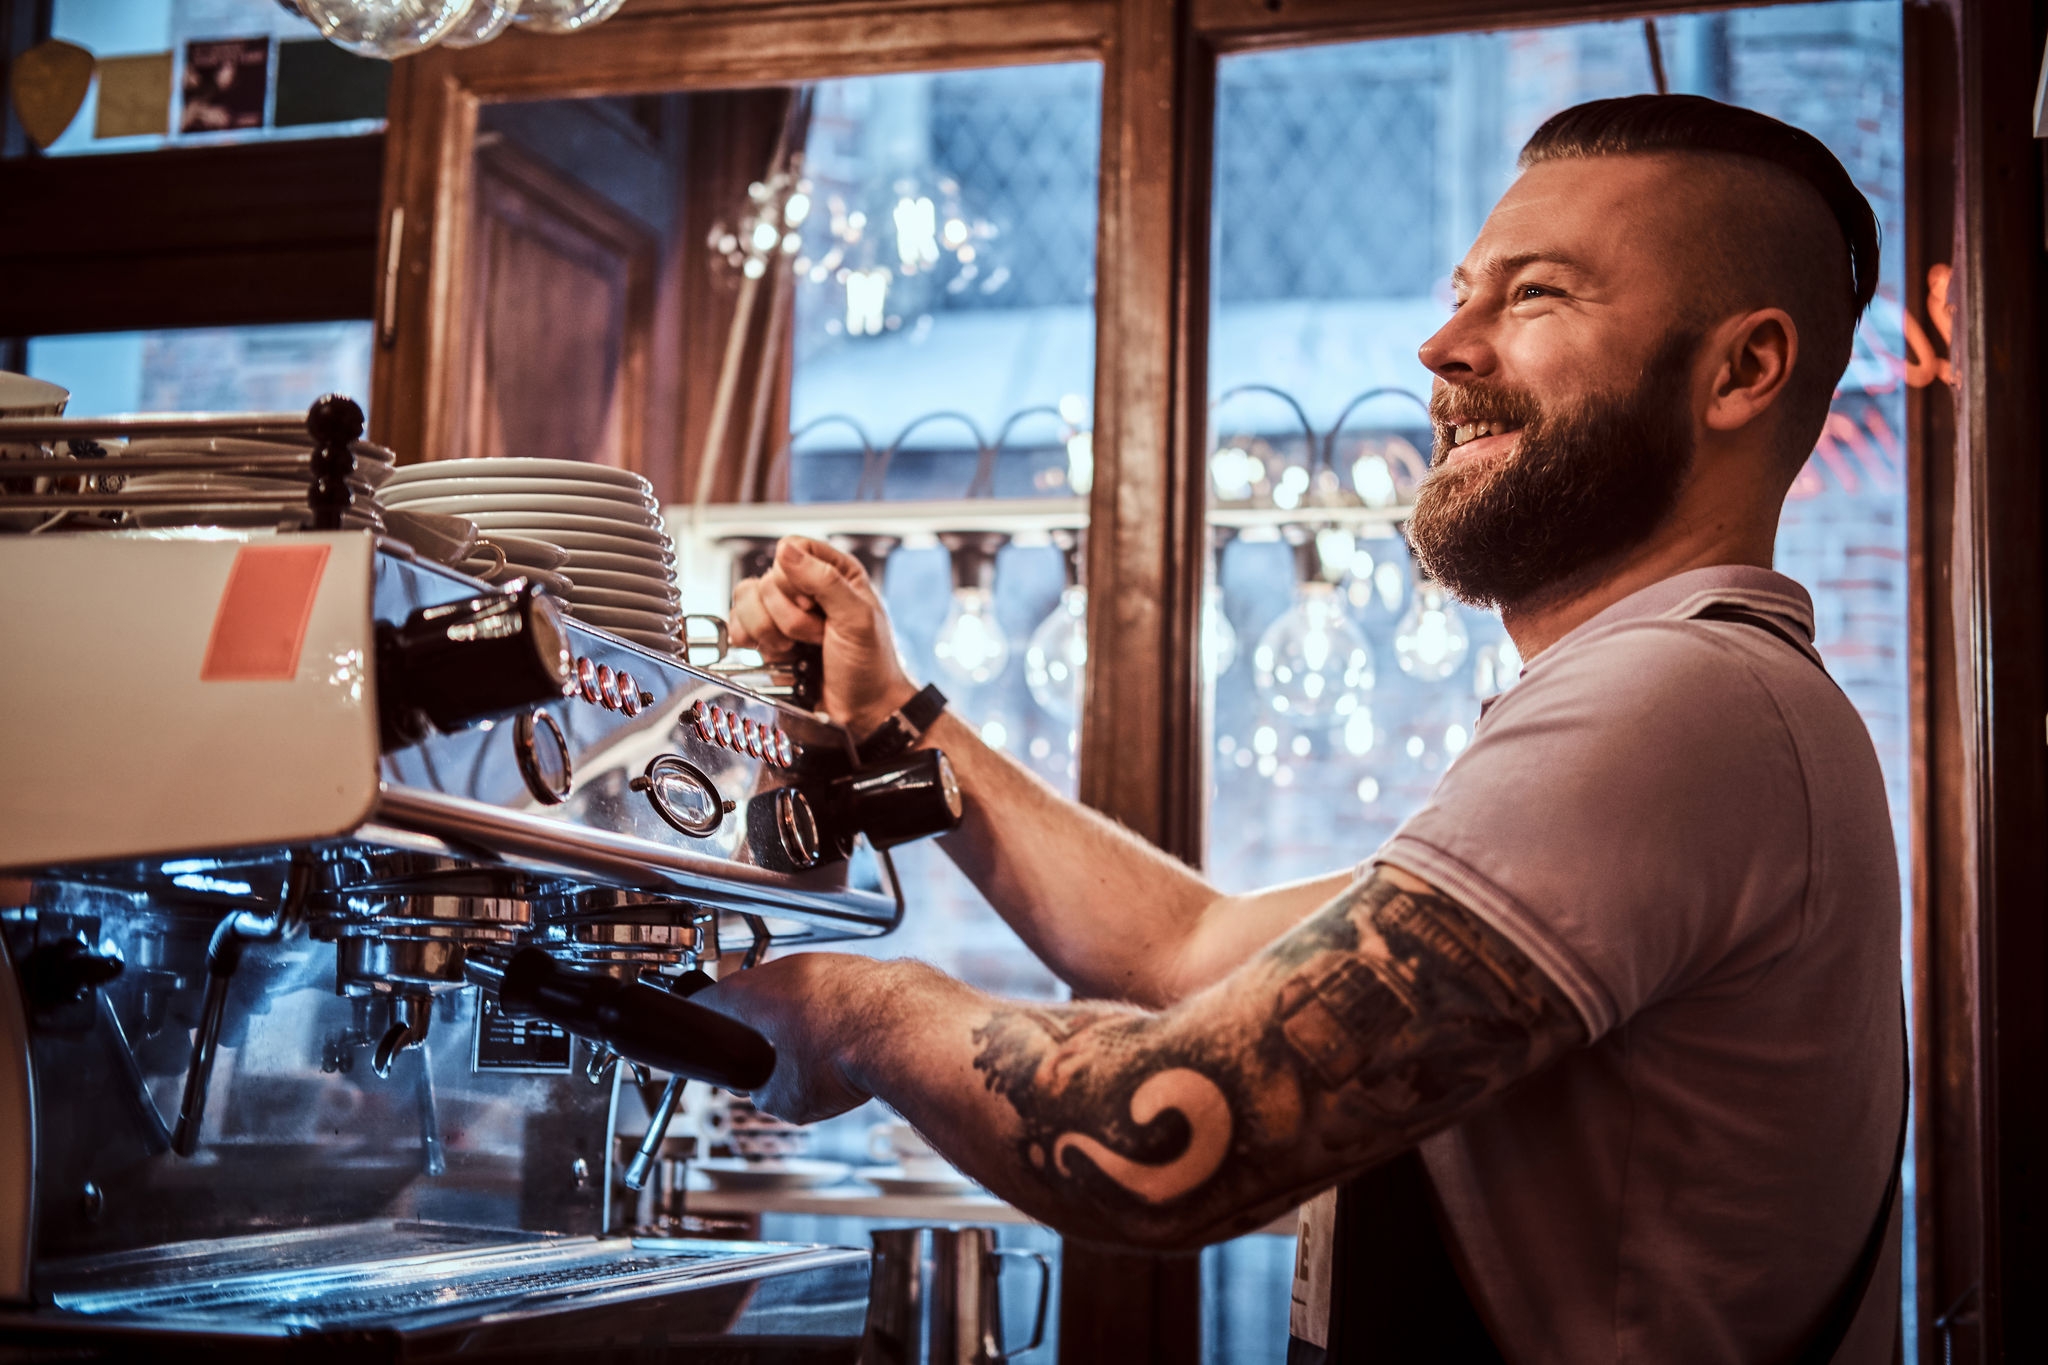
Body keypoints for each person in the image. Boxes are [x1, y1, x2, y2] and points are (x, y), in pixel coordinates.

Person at [703, 94, 1904, 1363]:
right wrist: (893, 716)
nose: (1444, 344)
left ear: (1741, 371)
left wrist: (856, 1010)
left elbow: (1153, 1139)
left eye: (1537, 296)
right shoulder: (1704, 701)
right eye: (1462, 292)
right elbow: (1185, 948)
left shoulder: (1677, 705)